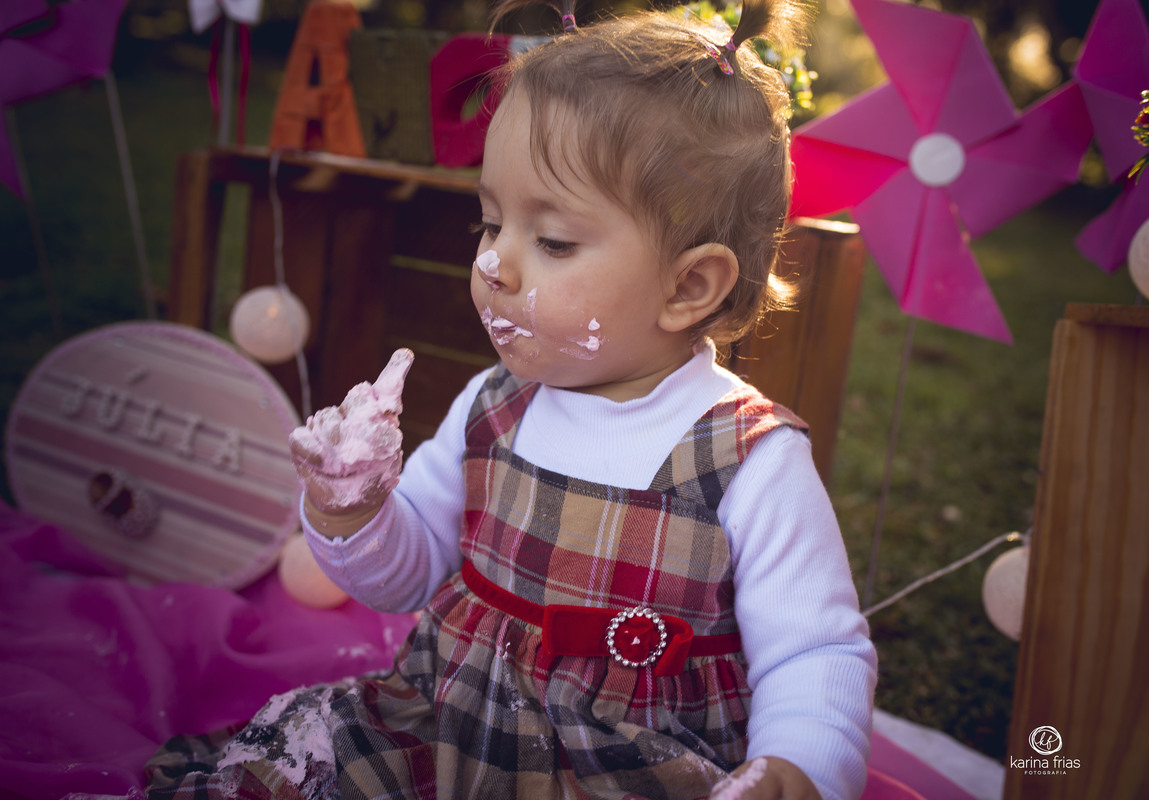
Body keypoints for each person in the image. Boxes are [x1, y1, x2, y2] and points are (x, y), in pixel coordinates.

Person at [145, 1, 876, 798]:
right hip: (445, 728)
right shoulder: (493, 406)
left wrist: (797, 770)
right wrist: (350, 515)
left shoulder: (749, 461)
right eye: (489, 224)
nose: (496, 263)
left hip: (625, 769)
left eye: (552, 241)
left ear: (688, 285)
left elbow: (816, 657)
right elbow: (410, 570)